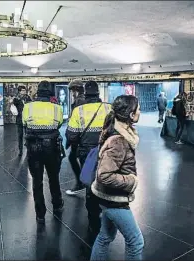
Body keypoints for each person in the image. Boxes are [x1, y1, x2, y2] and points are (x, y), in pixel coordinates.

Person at [90, 95, 144, 261]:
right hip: (113, 199)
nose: (140, 112)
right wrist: (131, 181)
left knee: (105, 236)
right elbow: (104, 175)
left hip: (106, 196)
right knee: (136, 241)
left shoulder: (120, 132)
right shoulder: (119, 140)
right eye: (138, 109)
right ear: (130, 114)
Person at [66, 80, 111, 236]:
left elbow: (71, 134)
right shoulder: (108, 108)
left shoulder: (79, 110)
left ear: (84, 92)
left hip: (87, 153)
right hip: (106, 151)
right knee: (105, 179)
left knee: (90, 185)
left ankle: (93, 221)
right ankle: (107, 212)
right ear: (98, 92)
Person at [22, 81, 65, 224]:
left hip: (33, 146)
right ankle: (57, 204)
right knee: (54, 177)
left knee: (37, 181)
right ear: (50, 92)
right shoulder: (57, 108)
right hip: (51, 146)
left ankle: (40, 213)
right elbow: (58, 124)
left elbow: (24, 123)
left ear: (37, 92)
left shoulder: (28, 107)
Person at [65, 79, 86, 196]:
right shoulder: (83, 100)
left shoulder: (79, 101)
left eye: (73, 91)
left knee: (75, 158)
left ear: (76, 90)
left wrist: (70, 138)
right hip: (83, 135)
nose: (72, 93)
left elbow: (76, 120)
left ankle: (82, 183)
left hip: (79, 136)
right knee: (77, 158)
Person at [13, 85, 32, 156]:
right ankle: (20, 150)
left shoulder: (27, 97)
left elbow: (31, 105)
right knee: (20, 135)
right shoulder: (16, 98)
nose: (24, 92)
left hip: (27, 119)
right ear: (19, 91)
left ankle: (28, 148)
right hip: (19, 119)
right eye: (22, 90)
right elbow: (14, 105)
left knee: (28, 135)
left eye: (24, 90)